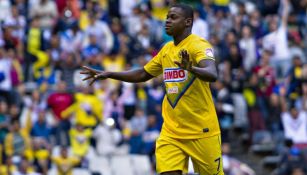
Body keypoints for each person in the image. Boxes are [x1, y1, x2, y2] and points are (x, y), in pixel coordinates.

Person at [81, 3, 223, 175]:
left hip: (202, 131)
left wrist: (191, 68)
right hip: (172, 132)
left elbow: (212, 73)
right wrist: (109, 73)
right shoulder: (166, 49)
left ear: (187, 22)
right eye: (167, 17)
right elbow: (143, 74)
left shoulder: (198, 45)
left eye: (173, 17)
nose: (167, 21)